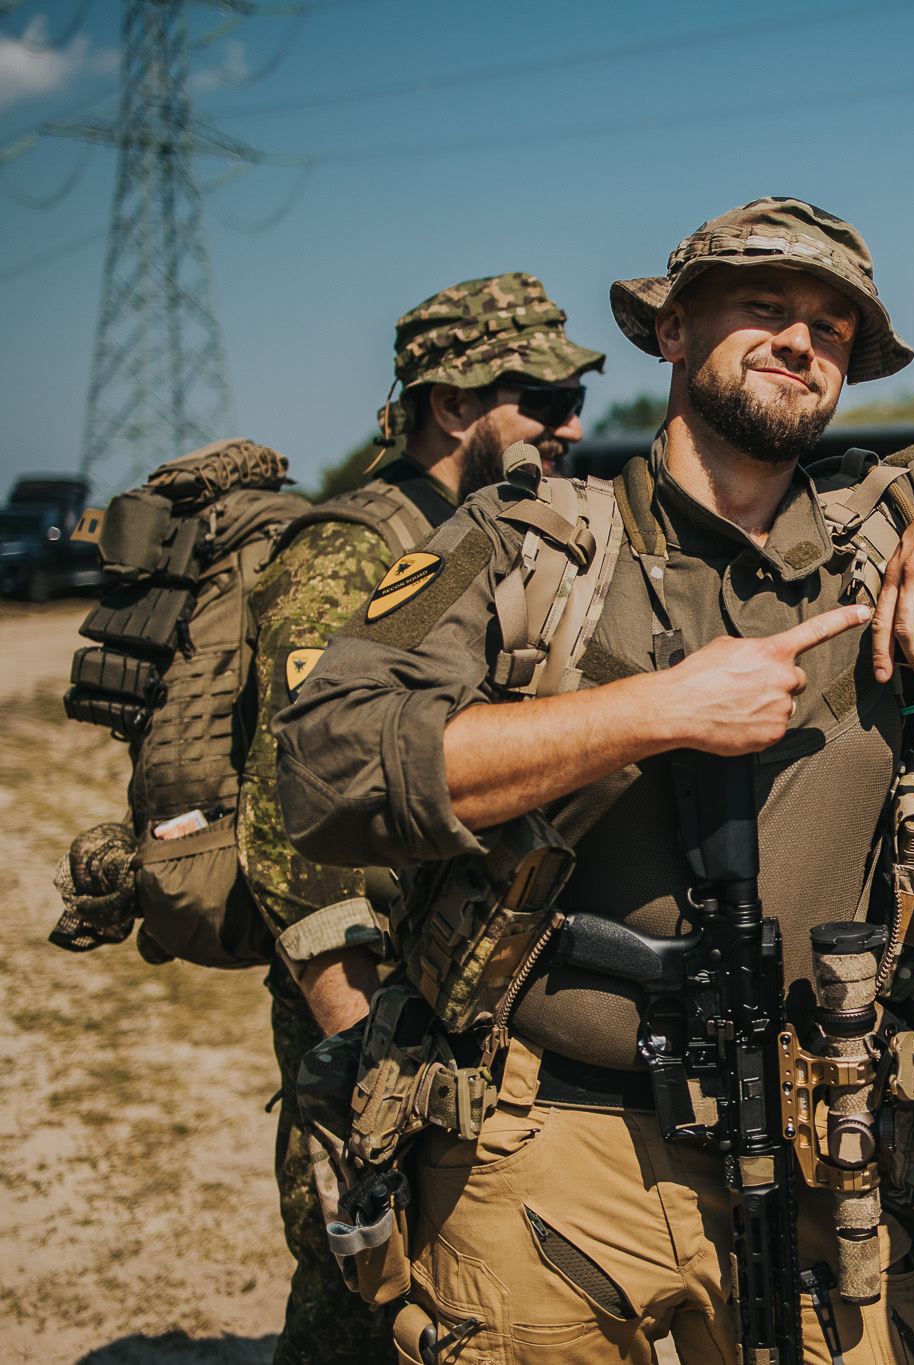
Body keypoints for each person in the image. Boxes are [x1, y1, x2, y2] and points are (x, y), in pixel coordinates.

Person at [272, 198, 914, 1365]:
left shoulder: (890, 533)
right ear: (672, 333)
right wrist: (650, 712)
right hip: (547, 1145)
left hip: (821, 1146)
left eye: (832, 327)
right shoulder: (529, 545)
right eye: (763, 308)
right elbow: (325, 769)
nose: (801, 341)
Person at [239, 271, 602, 1365]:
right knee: (360, 1286)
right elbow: (285, 814)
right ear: (454, 406)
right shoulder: (352, 550)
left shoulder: (494, 534)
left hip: (458, 986)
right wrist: (357, 1039)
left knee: (461, 1297)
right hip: (369, 996)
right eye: (541, 398)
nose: (572, 423)